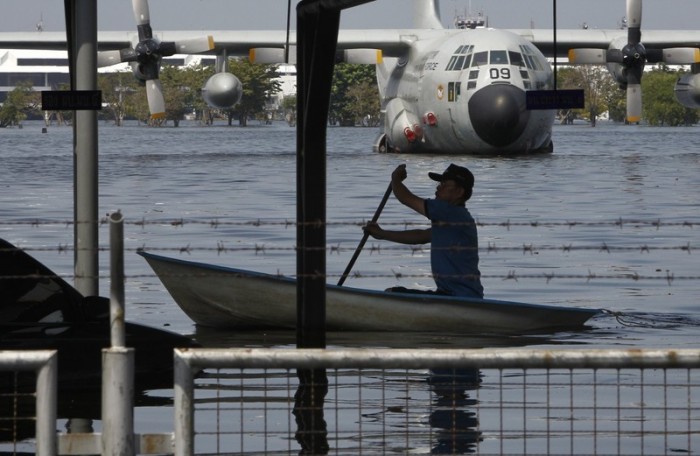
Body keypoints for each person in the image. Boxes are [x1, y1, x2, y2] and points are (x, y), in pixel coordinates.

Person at [363, 163, 484, 298]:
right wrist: (382, 234)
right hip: (450, 294)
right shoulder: (453, 220)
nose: (438, 188)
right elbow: (420, 236)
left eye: (445, 185)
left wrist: (395, 180)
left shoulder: (449, 211)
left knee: (391, 295)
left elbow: (406, 198)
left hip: (460, 297)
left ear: (459, 192)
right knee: (393, 294)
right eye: (439, 184)